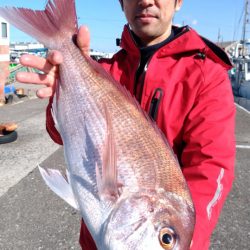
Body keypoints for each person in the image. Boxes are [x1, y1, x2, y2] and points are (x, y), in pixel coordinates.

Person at [17, 0, 236, 249]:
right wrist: (60, 91)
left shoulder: (207, 75)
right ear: (121, 3)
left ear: (178, 2)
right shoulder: (106, 68)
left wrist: (186, 239)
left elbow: (211, 166)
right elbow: (59, 134)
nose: (145, 0)